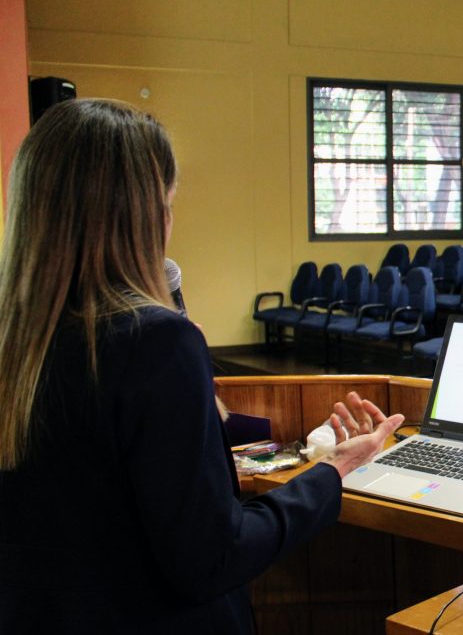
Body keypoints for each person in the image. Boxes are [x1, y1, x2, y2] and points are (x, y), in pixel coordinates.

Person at [0, 99, 405, 633]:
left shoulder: (18, 340)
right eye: (167, 204)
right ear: (147, 214)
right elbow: (211, 558)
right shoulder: (154, 342)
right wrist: (333, 473)